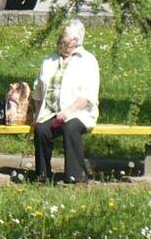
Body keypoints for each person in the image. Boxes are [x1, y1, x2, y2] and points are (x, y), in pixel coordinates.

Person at [31, 18, 100, 183]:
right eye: (61, 40)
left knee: (70, 127)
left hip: (79, 112)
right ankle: (42, 175)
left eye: (66, 41)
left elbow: (89, 96)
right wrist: (37, 114)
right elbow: (38, 91)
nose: (62, 43)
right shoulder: (49, 61)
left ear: (76, 41)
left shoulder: (88, 61)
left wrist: (69, 111)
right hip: (51, 113)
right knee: (41, 130)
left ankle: (76, 177)